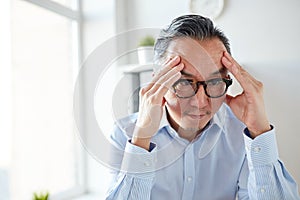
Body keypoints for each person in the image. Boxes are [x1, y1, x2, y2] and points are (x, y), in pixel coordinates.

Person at [105, 14, 300, 199]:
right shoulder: (126, 134)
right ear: (158, 82)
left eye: (215, 82)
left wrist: (259, 132)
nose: (200, 102)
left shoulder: (243, 133)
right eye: (184, 82)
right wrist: (141, 140)